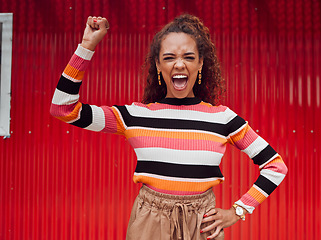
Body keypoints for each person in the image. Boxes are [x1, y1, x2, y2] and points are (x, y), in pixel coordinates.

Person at [50, 14, 287, 240]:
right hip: (150, 221)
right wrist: (87, 45)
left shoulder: (223, 119)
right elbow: (63, 108)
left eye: (189, 57)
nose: (179, 64)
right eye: (169, 57)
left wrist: (237, 211)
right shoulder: (135, 116)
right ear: (158, 65)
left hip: (202, 223)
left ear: (201, 64)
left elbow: (275, 166)